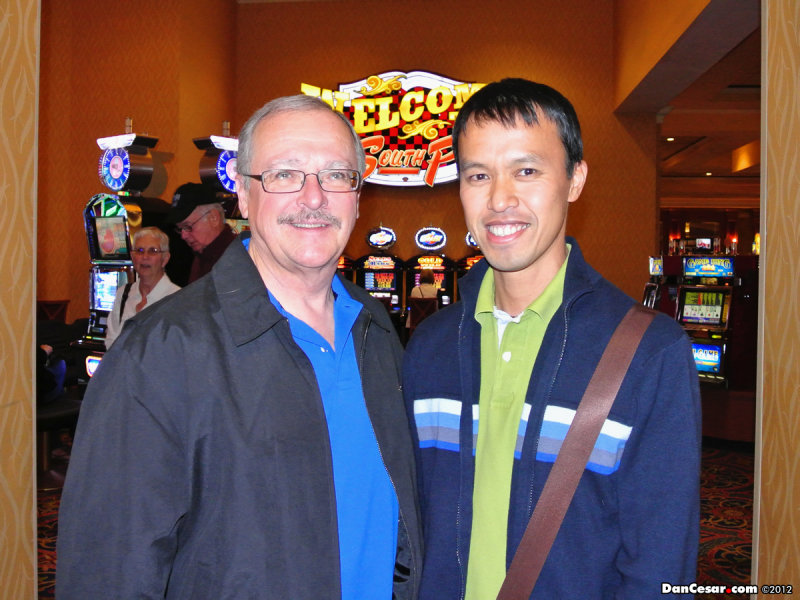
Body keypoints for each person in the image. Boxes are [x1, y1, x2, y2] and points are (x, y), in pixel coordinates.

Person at [56, 95, 422, 600]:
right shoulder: (161, 349)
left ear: (358, 197)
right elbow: (108, 570)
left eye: (337, 175)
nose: (313, 197)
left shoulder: (376, 331)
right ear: (244, 200)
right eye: (284, 174)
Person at [403, 78, 701, 599]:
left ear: (574, 179)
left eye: (526, 170)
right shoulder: (428, 348)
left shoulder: (650, 353)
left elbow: (661, 562)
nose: (499, 198)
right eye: (478, 174)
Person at [104, 226, 180, 348]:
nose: (145, 256)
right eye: (139, 250)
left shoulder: (177, 298)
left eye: (153, 251)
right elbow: (111, 341)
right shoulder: (123, 293)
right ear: (133, 257)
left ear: (165, 259)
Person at [167, 182, 237, 284]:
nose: (183, 235)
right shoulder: (202, 256)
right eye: (180, 229)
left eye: (188, 226)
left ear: (214, 218)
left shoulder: (236, 256)